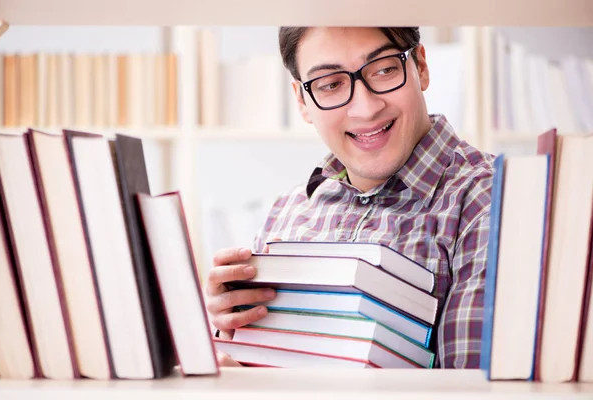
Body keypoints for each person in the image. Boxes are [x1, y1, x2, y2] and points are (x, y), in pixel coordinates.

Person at [205, 26, 494, 368]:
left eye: (384, 68)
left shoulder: (490, 199)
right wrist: (234, 354)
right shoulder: (288, 210)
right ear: (303, 101)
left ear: (421, 65)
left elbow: (473, 389)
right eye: (330, 84)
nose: (365, 109)